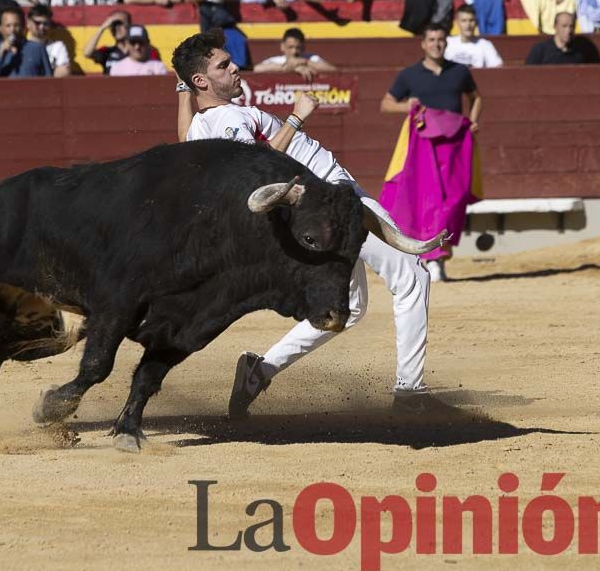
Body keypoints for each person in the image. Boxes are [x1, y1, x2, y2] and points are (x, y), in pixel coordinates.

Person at [173, 29, 438, 414]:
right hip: (327, 198)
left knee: (348, 306)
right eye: (224, 65)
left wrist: (183, 93)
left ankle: (258, 372)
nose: (236, 68)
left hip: (316, 204)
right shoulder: (228, 115)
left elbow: (185, 137)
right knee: (412, 272)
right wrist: (297, 117)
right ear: (202, 80)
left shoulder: (202, 124)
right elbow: (257, 169)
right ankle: (410, 392)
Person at [379, 24, 481, 281]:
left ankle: (439, 255)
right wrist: (407, 106)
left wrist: (474, 120)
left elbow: (476, 97)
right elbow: (386, 104)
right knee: (428, 201)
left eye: (441, 40)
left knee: (453, 200)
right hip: (423, 147)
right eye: (432, 40)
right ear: (423, 44)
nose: (437, 44)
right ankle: (431, 257)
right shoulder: (410, 75)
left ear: (446, 43)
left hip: (454, 145)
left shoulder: (459, 71)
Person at [0, 6, 52, 79]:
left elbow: (48, 79)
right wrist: (0, 57)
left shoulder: (37, 49)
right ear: (1, 29)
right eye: (8, 26)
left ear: (23, 27)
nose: (12, 30)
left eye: (16, 25)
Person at [254, 27, 336, 77]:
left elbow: (333, 70)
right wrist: (292, 68)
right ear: (282, 46)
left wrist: (304, 62)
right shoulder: (276, 60)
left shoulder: (311, 58)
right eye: (290, 47)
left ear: (303, 47)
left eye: (298, 47)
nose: (294, 51)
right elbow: (257, 69)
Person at [525, 12, 600, 64]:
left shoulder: (581, 50)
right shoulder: (540, 50)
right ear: (555, 27)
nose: (568, 30)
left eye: (571, 26)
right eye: (564, 26)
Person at [445, 4, 503, 68]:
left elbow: (498, 68)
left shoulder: (485, 45)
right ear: (457, 23)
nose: (468, 25)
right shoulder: (448, 42)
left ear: (476, 22)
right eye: (464, 21)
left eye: (471, 20)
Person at [24, 4, 71, 77]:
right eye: (37, 23)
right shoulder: (22, 46)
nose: (42, 27)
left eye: (46, 23)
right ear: (28, 23)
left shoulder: (58, 46)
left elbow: (64, 72)